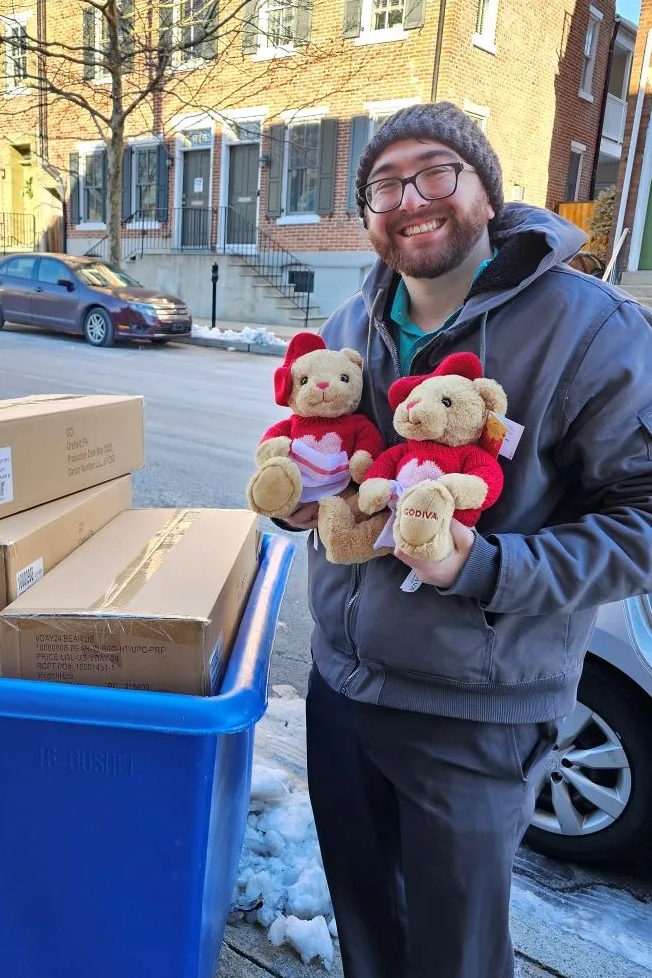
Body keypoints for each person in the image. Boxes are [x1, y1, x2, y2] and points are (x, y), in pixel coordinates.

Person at [276, 101, 652, 978]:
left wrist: (483, 567)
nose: (411, 197)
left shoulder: (590, 329)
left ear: (486, 192)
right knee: (367, 929)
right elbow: (323, 464)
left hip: (473, 714)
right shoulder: (348, 325)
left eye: (435, 171)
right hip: (341, 685)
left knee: (453, 956)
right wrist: (296, 503)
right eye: (384, 183)